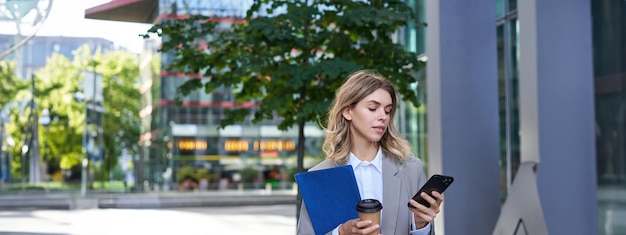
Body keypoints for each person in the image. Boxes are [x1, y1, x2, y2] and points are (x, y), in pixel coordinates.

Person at [297, 70, 443, 235]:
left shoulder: (410, 169)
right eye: (373, 108)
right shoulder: (320, 175)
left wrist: (420, 225)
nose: (383, 117)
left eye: (387, 111)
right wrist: (340, 232)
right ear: (348, 111)